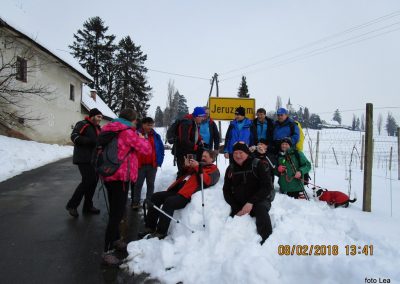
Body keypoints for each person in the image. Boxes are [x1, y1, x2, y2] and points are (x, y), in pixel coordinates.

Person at [100, 109, 152, 266]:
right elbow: (146, 150)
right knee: (117, 214)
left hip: (108, 173)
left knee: (116, 210)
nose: (136, 124)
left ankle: (115, 240)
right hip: (120, 176)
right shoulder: (128, 132)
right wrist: (142, 137)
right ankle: (107, 251)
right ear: (132, 120)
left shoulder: (108, 128)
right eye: (136, 121)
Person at [143, 150, 220, 239]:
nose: (203, 158)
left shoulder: (214, 170)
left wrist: (198, 168)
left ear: (212, 159)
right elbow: (180, 176)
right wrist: (185, 167)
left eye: (205, 157)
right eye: (202, 156)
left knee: (169, 202)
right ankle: (150, 227)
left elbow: (208, 181)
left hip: (185, 195)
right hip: (177, 190)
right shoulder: (197, 165)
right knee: (156, 196)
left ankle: (161, 232)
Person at [223, 142, 274, 245]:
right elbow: (226, 190)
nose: (237, 156)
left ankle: (267, 241)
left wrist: (251, 202)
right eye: (235, 153)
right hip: (240, 202)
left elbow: (267, 187)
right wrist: (236, 207)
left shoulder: (258, 164)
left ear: (247, 153)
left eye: (241, 152)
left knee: (261, 210)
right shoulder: (231, 168)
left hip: (259, 199)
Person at [66, 108, 103, 217]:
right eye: (98, 117)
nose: (100, 119)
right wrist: (89, 141)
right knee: (88, 180)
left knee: (94, 181)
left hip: (94, 159)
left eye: (101, 117)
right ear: (92, 116)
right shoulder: (83, 124)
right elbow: (74, 136)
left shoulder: (97, 128)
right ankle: (72, 205)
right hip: (83, 158)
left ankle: (88, 206)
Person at [131, 117, 165, 210]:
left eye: (152, 125)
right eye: (148, 125)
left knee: (151, 184)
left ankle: (149, 202)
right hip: (139, 165)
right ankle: (135, 202)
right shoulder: (136, 134)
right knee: (138, 184)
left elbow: (161, 149)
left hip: (152, 165)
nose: (151, 127)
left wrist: (159, 161)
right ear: (143, 124)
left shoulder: (155, 136)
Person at [174, 107, 207, 177]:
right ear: (198, 116)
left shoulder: (193, 122)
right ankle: (178, 187)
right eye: (202, 117)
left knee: (189, 171)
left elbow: (195, 134)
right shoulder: (187, 123)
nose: (203, 118)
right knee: (183, 173)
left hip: (188, 151)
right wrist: (196, 147)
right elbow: (184, 140)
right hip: (182, 152)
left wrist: (200, 140)